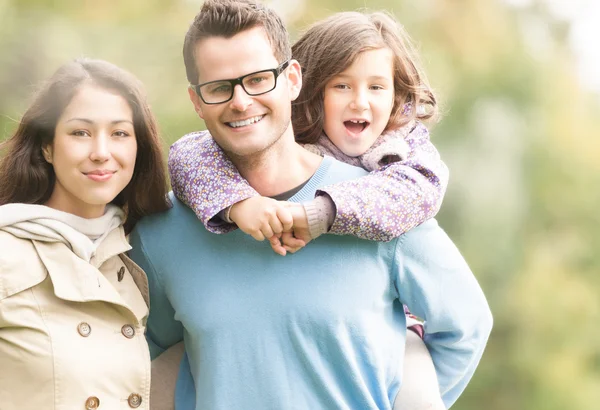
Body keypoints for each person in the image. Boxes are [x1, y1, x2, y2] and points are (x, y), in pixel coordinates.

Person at [129, 1, 493, 410]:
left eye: (258, 79)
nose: (241, 101)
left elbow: (466, 329)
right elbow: (135, 358)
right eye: (219, 87)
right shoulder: (166, 230)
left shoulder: (385, 208)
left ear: (293, 80)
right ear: (197, 102)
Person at [0, 58, 170, 410]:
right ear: (47, 147)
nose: (101, 153)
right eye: (81, 132)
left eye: (120, 133)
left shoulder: (140, 250)